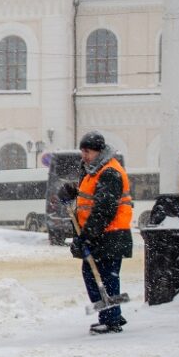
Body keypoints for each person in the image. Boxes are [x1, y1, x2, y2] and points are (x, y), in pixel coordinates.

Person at [58, 131, 134, 334]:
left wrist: (87, 235)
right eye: (82, 151)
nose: (84, 155)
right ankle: (111, 314)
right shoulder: (94, 170)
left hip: (110, 234)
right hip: (101, 233)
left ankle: (111, 319)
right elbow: (90, 195)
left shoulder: (109, 172)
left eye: (88, 151)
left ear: (99, 151)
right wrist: (72, 190)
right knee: (96, 274)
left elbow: (104, 209)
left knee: (103, 276)